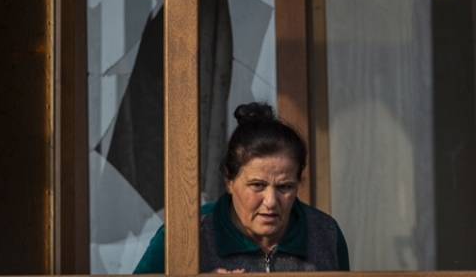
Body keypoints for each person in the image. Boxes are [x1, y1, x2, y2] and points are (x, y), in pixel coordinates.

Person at [134, 102, 350, 273]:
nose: (271, 201)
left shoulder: (326, 234)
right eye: (257, 185)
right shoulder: (187, 234)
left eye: (285, 187)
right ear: (229, 179)